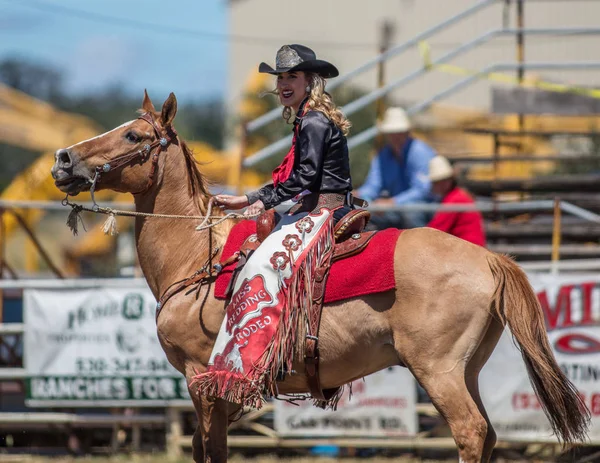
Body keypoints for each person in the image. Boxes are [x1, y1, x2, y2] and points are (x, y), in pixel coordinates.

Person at [194, 44, 356, 407]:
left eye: (292, 76)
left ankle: (258, 360)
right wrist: (252, 200)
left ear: (310, 81)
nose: (284, 83)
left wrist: (252, 201)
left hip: (324, 211)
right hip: (316, 207)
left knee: (263, 264)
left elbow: (303, 178)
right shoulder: (308, 118)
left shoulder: (312, 121)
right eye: (280, 77)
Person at [356, 107, 436, 229]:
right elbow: (373, 185)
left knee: (411, 212)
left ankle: (421, 244)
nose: (395, 136)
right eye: (392, 133)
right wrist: (359, 195)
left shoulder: (420, 152)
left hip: (425, 207)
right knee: (359, 213)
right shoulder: (383, 155)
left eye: (399, 132)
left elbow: (423, 190)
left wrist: (392, 203)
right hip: (396, 207)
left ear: (407, 132)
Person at [426, 155, 486, 247]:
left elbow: (434, 230)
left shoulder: (454, 200)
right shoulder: (457, 196)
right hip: (472, 249)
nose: (436, 185)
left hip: (467, 251)